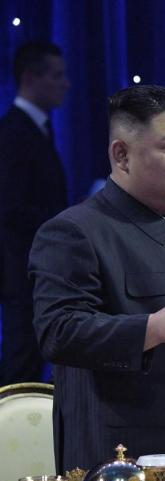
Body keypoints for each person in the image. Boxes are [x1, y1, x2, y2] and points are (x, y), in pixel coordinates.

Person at [28, 85, 165, 472]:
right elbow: (59, 332)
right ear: (121, 155)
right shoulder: (75, 231)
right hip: (131, 460)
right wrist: (152, 328)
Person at [0, 41, 69, 385]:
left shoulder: (35, 129)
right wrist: (65, 221)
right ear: (29, 78)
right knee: (20, 366)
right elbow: (10, 208)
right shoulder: (13, 132)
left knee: (28, 362)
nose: (65, 84)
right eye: (56, 75)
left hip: (37, 272)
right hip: (22, 272)